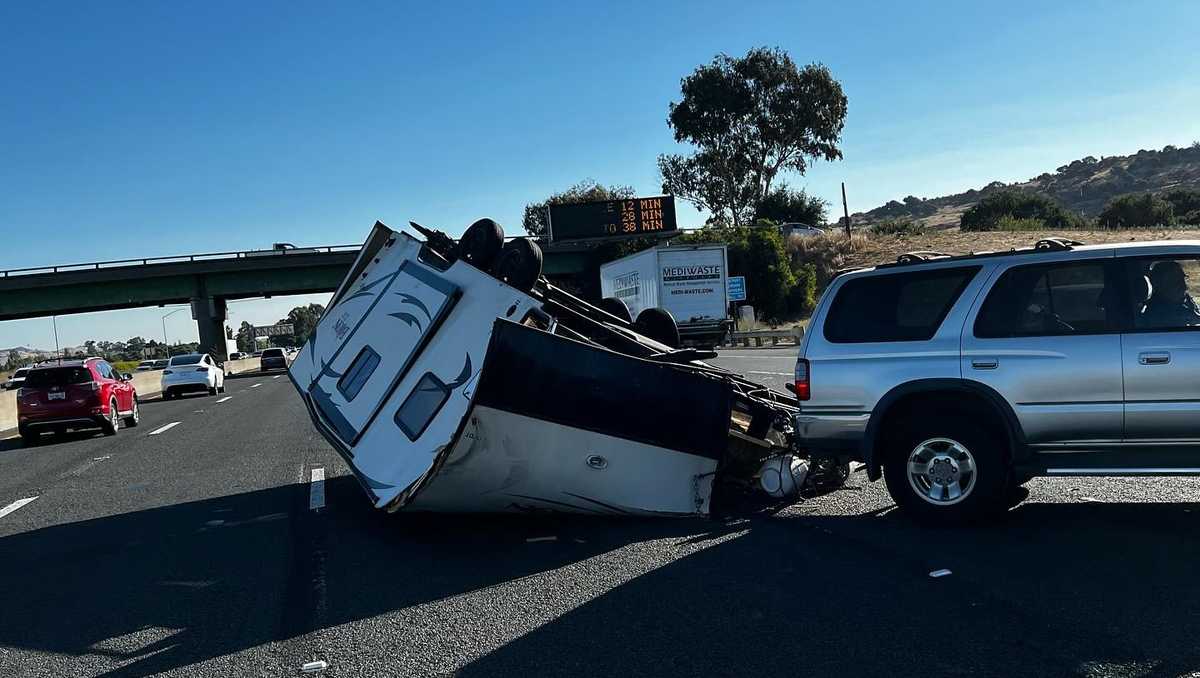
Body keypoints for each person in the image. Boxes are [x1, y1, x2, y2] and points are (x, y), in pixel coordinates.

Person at [1141, 260, 1200, 328]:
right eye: (1176, 282)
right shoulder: (1160, 314)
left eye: (1182, 279)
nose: (1184, 287)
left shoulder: (1179, 301)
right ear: (1160, 285)